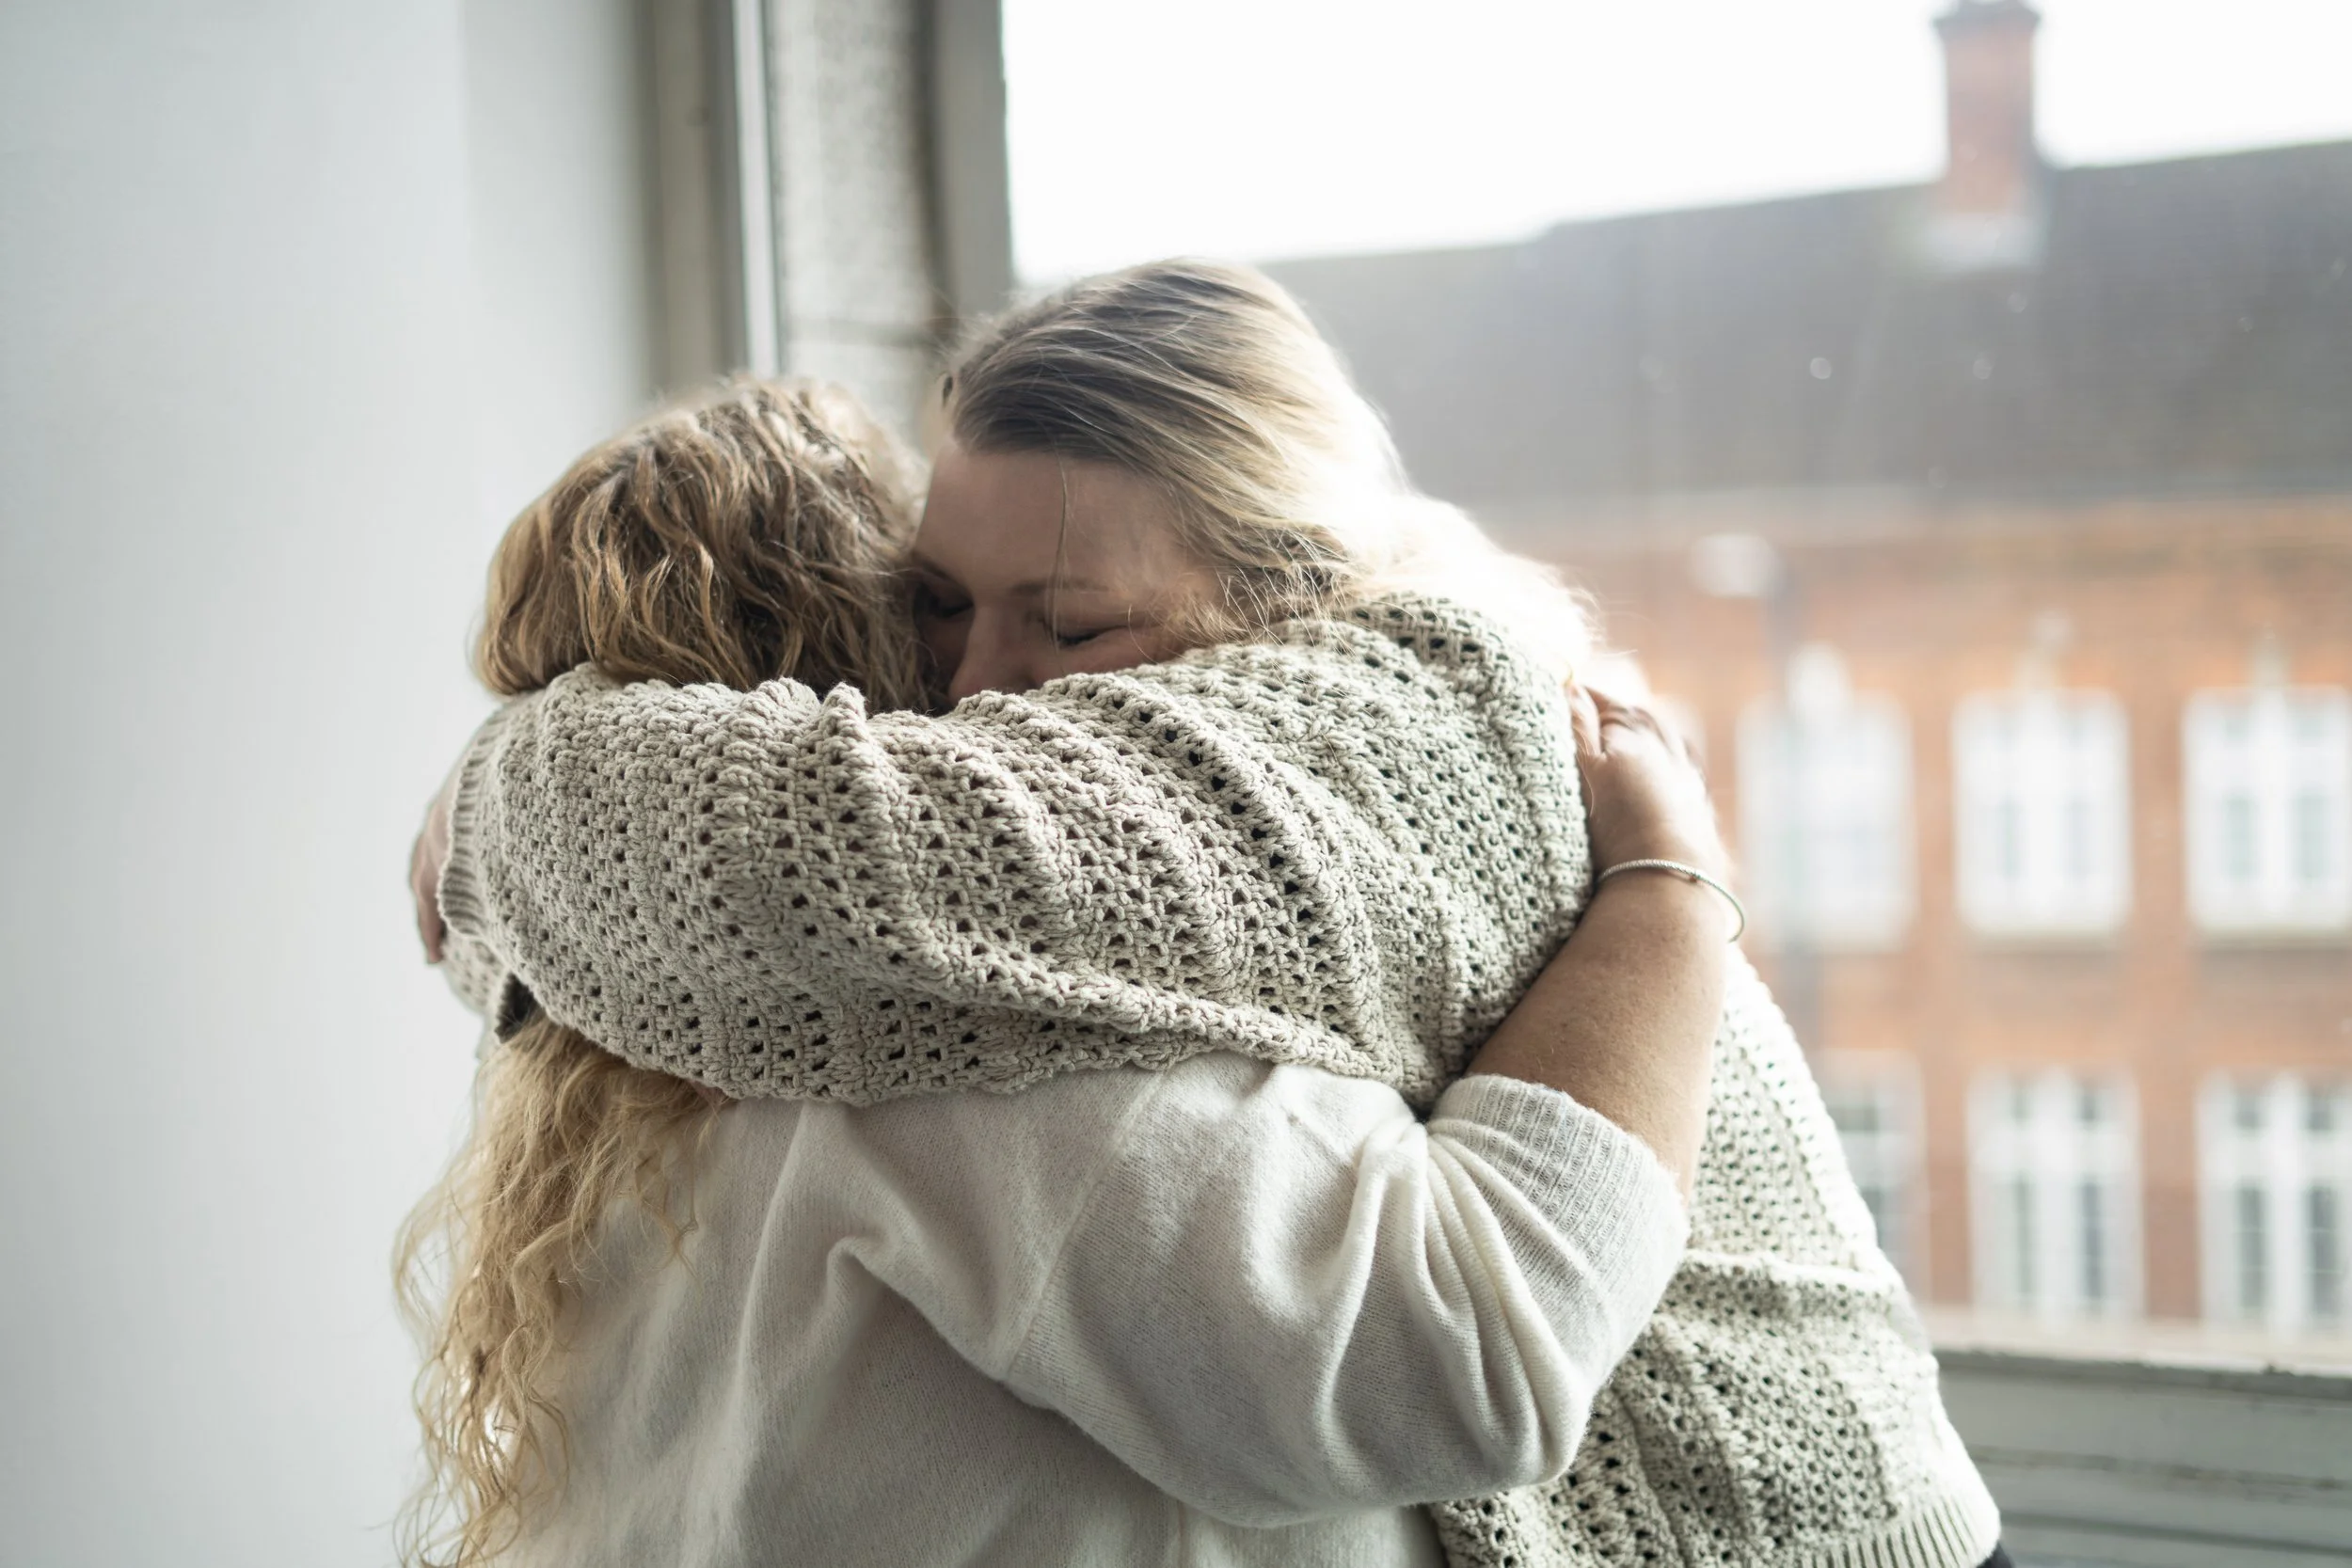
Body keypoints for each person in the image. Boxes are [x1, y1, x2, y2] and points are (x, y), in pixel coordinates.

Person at [415, 261, 2005, 1568]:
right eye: (941, 610)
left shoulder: (1345, 774)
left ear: (1279, 601)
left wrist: (1673, 889)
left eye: (1069, 625)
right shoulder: (767, 976)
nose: (975, 694)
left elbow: (833, 840)